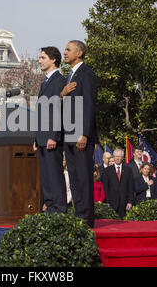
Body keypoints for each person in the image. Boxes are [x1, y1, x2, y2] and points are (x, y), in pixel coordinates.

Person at [61, 40, 98, 228]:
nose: (65, 52)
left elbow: (89, 105)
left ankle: (86, 219)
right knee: (74, 177)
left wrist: (85, 134)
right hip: (69, 133)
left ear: (80, 53)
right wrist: (62, 93)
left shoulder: (87, 74)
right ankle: (78, 214)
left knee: (83, 177)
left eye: (68, 49)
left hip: (80, 135)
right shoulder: (69, 76)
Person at [33, 46, 67, 214]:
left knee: (54, 175)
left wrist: (54, 136)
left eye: (43, 57)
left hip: (51, 138)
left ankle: (59, 209)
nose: (39, 61)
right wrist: (36, 137)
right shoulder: (45, 81)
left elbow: (58, 110)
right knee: (46, 176)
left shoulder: (59, 80)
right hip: (42, 137)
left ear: (53, 60)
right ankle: (50, 207)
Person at [103, 148, 134, 218]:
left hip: (125, 204)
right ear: (113, 157)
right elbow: (105, 188)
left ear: (122, 158)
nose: (117, 158)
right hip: (111, 204)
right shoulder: (107, 171)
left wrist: (130, 202)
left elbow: (131, 187)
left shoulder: (128, 170)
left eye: (119, 156)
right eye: (116, 156)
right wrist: (107, 202)